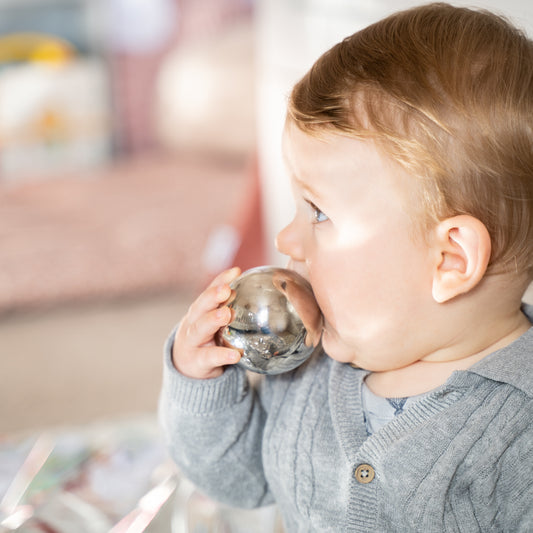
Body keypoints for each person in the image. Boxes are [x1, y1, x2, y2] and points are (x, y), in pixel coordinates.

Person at [159, 3, 533, 531]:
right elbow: (236, 481)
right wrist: (202, 381)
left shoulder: (517, 432)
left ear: (450, 260)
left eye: (319, 212)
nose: (286, 238)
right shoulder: (310, 365)